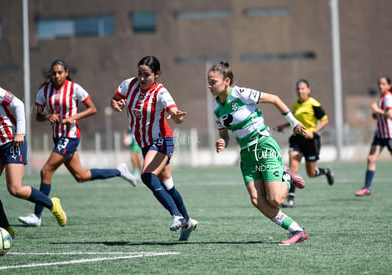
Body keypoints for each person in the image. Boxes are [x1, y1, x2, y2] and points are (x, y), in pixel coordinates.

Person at [18, 59, 136, 227]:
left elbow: (92, 108)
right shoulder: (44, 91)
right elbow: (37, 114)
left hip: (71, 137)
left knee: (46, 171)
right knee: (81, 176)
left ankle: (37, 216)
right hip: (58, 138)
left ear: (66, 73)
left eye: (60, 72)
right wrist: (46, 116)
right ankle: (119, 171)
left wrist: (73, 118)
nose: (57, 76)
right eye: (54, 73)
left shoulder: (74, 89)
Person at [208, 61, 308, 244]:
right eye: (208, 81)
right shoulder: (216, 110)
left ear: (227, 81)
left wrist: (293, 123)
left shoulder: (240, 93)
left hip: (263, 145)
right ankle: (297, 231)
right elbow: (225, 135)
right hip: (246, 154)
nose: (209, 85)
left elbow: (275, 99)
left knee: (275, 199)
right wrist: (222, 141)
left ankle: (286, 176)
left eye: (213, 81)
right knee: (257, 200)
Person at [111, 56, 197, 241]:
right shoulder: (129, 84)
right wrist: (116, 104)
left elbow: (176, 114)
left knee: (147, 176)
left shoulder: (161, 92)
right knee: (168, 185)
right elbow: (116, 98)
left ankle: (177, 216)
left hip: (161, 141)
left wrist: (176, 116)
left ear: (157, 75)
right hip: (145, 143)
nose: (142, 79)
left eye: (147, 75)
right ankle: (188, 222)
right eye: (140, 74)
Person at [0, 77, 67, 238]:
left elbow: (18, 104)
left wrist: (20, 132)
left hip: (13, 141)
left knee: (15, 189)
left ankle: (52, 204)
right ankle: (6, 229)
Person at [275, 79, 334, 208]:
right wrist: (283, 126)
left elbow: (325, 121)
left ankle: (326, 171)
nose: (300, 91)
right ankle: (291, 200)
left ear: (308, 90)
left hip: (311, 141)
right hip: (297, 139)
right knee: (293, 167)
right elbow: (295, 121)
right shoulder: (295, 105)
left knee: (311, 173)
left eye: (303, 88)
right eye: (298, 89)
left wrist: (313, 132)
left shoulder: (314, 104)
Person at [355, 76, 392, 196]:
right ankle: (367, 188)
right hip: (380, 135)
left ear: (389, 86)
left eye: (383, 84)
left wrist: (377, 110)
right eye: (379, 84)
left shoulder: (388, 97)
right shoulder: (381, 98)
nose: (380, 86)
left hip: (389, 135)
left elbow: (389, 114)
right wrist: (377, 115)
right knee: (371, 159)